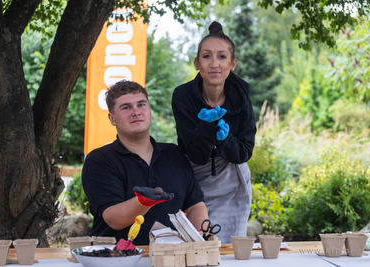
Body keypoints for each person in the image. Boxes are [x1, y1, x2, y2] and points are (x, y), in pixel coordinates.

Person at [82, 80, 208, 245]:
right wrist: (144, 201)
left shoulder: (174, 153)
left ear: (149, 110)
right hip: (114, 258)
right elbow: (114, 219)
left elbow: (195, 205)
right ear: (112, 118)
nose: (136, 112)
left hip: (169, 257)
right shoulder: (99, 160)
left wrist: (201, 240)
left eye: (141, 104)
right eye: (126, 107)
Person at [171, 21, 257, 243]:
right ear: (197, 63)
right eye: (207, 56)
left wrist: (225, 139)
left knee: (228, 247)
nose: (214, 64)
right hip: (195, 181)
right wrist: (207, 129)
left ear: (233, 63)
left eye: (222, 57)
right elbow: (196, 154)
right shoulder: (183, 97)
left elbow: (245, 152)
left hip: (232, 181)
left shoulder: (242, 95)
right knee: (198, 243)